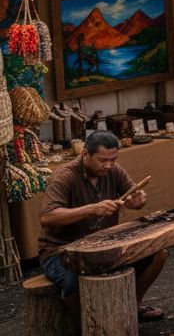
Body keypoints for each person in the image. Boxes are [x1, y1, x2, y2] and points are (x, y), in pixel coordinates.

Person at [38, 130, 165, 320]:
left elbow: (134, 197)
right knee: (73, 282)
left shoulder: (114, 170)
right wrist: (92, 209)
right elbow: (47, 217)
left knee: (158, 254)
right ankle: (89, 328)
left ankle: (133, 307)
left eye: (113, 160)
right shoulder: (64, 177)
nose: (108, 165)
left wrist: (137, 202)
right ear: (85, 154)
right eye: (103, 160)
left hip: (104, 244)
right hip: (61, 250)